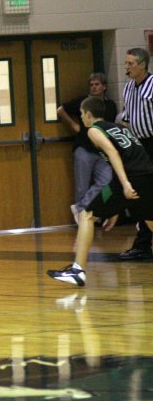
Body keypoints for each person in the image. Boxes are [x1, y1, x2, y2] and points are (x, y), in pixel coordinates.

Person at [47, 96, 153, 286]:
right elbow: (136, 154)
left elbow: (112, 153)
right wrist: (115, 207)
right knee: (151, 221)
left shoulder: (94, 130)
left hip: (129, 178)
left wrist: (126, 184)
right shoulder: (120, 127)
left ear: (88, 115)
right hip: (148, 175)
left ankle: (77, 270)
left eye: (81, 114)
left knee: (87, 214)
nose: (81, 117)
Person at [56, 73, 118, 222]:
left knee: (107, 181)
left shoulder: (110, 106)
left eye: (96, 84)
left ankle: (83, 208)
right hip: (84, 148)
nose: (93, 87)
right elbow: (60, 110)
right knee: (81, 186)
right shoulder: (82, 102)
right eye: (91, 85)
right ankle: (81, 217)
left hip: (102, 151)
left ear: (104, 87)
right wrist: (73, 125)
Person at [117, 48, 153, 261]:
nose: (126, 67)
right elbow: (128, 118)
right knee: (140, 195)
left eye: (130, 63)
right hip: (140, 146)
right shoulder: (128, 88)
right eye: (126, 63)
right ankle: (142, 243)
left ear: (142, 65)